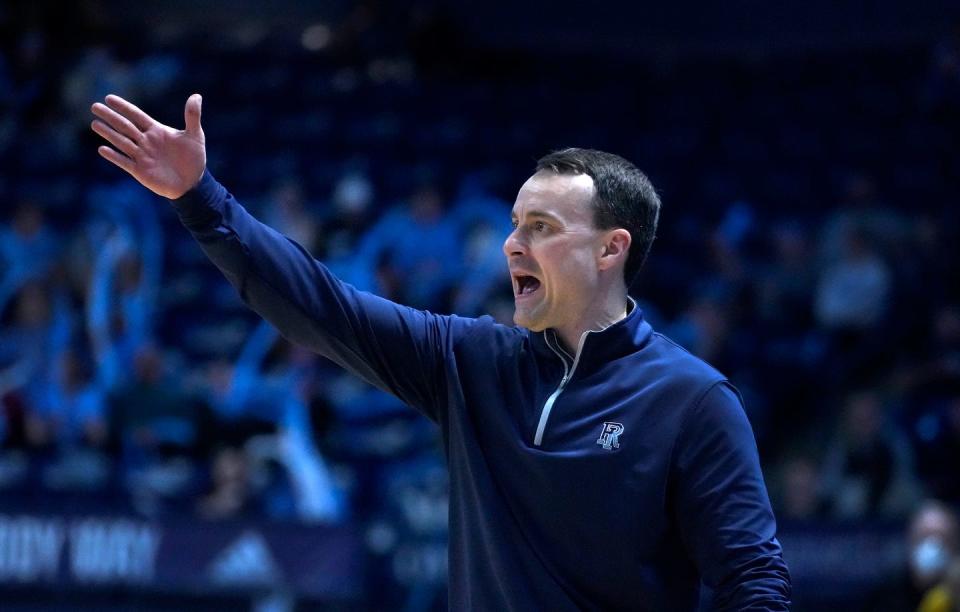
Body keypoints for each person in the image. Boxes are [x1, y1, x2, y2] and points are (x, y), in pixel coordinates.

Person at [90, 93, 791, 610]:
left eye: (542, 227)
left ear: (612, 249)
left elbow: (754, 584)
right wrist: (201, 200)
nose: (513, 244)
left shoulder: (693, 401)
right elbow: (321, 306)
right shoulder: (471, 360)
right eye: (515, 224)